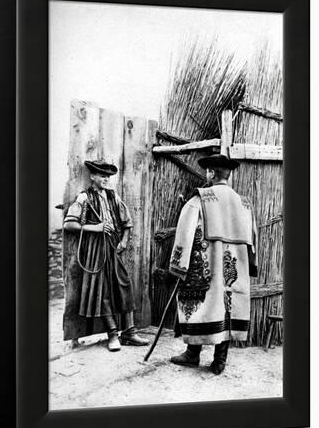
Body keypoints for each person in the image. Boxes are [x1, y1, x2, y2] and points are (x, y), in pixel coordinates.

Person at [169, 154, 258, 374]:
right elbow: (253, 239)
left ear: (210, 173)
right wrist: (251, 265)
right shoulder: (244, 203)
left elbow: (184, 233)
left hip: (206, 265)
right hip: (235, 268)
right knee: (229, 308)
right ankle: (220, 360)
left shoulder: (199, 199)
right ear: (228, 175)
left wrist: (178, 265)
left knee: (202, 306)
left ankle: (192, 354)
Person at [63, 160, 149, 352]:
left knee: (124, 285)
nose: (106, 179)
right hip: (95, 250)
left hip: (112, 247)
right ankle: (112, 335)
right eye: (102, 175)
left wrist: (124, 241)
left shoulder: (113, 196)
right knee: (102, 292)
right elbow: (69, 224)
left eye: (108, 176)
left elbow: (127, 222)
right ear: (92, 177)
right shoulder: (84, 198)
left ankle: (130, 332)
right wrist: (96, 227)